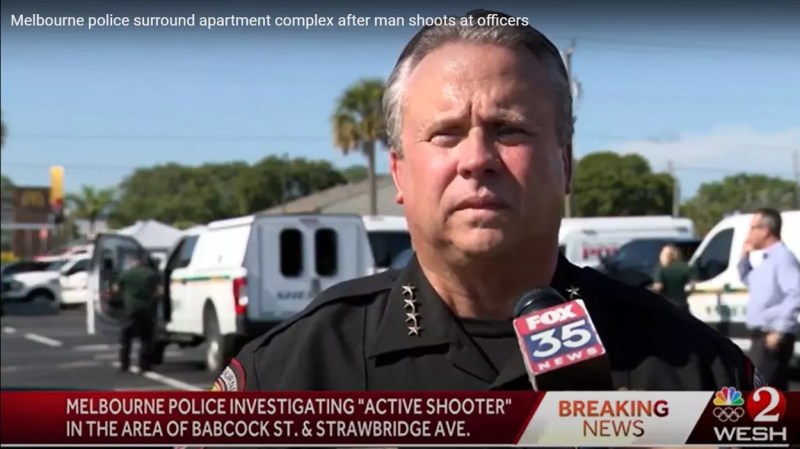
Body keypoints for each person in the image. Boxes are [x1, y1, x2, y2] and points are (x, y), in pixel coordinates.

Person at [210, 8, 760, 392]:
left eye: (511, 130)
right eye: (446, 133)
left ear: (565, 163)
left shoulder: (697, 370)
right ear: (399, 172)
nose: (477, 158)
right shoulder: (292, 371)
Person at [738, 208, 800, 390]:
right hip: (761, 337)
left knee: (759, 392)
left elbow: (796, 293)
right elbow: (748, 279)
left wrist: (779, 330)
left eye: (752, 228)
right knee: (773, 393)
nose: (748, 234)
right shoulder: (766, 260)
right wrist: (744, 257)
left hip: (772, 337)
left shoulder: (783, 258)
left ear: (765, 230)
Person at [114, 252, 161, 373]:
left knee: (126, 337)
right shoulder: (150, 274)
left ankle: (124, 364)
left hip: (130, 309)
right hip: (146, 309)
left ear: (132, 262)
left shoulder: (125, 274)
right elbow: (158, 292)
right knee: (146, 338)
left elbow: (116, 289)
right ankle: (144, 365)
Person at [651, 244, 694, 311]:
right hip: (682, 304)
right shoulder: (685, 267)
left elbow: (658, 286)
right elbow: (692, 284)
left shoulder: (661, 268)